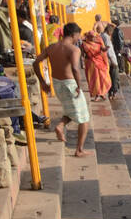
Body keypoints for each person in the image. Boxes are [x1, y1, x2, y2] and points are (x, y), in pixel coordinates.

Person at [32, 22, 90, 156]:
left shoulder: (52, 47)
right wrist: (79, 85)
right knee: (84, 119)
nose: (79, 38)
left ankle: (60, 126)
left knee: (70, 109)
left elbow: (36, 62)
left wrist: (43, 82)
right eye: (78, 36)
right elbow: (75, 68)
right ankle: (79, 150)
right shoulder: (74, 49)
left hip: (57, 83)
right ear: (73, 34)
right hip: (70, 84)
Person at [80, 31, 111, 101]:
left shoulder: (98, 42)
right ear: (88, 37)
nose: (94, 38)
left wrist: (106, 48)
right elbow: (82, 54)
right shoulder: (84, 44)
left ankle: (102, 93)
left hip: (100, 62)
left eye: (94, 37)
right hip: (90, 63)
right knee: (95, 80)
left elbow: (103, 49)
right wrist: (82, 64)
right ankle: (97, 94)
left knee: (103, 78)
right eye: (92, 37)